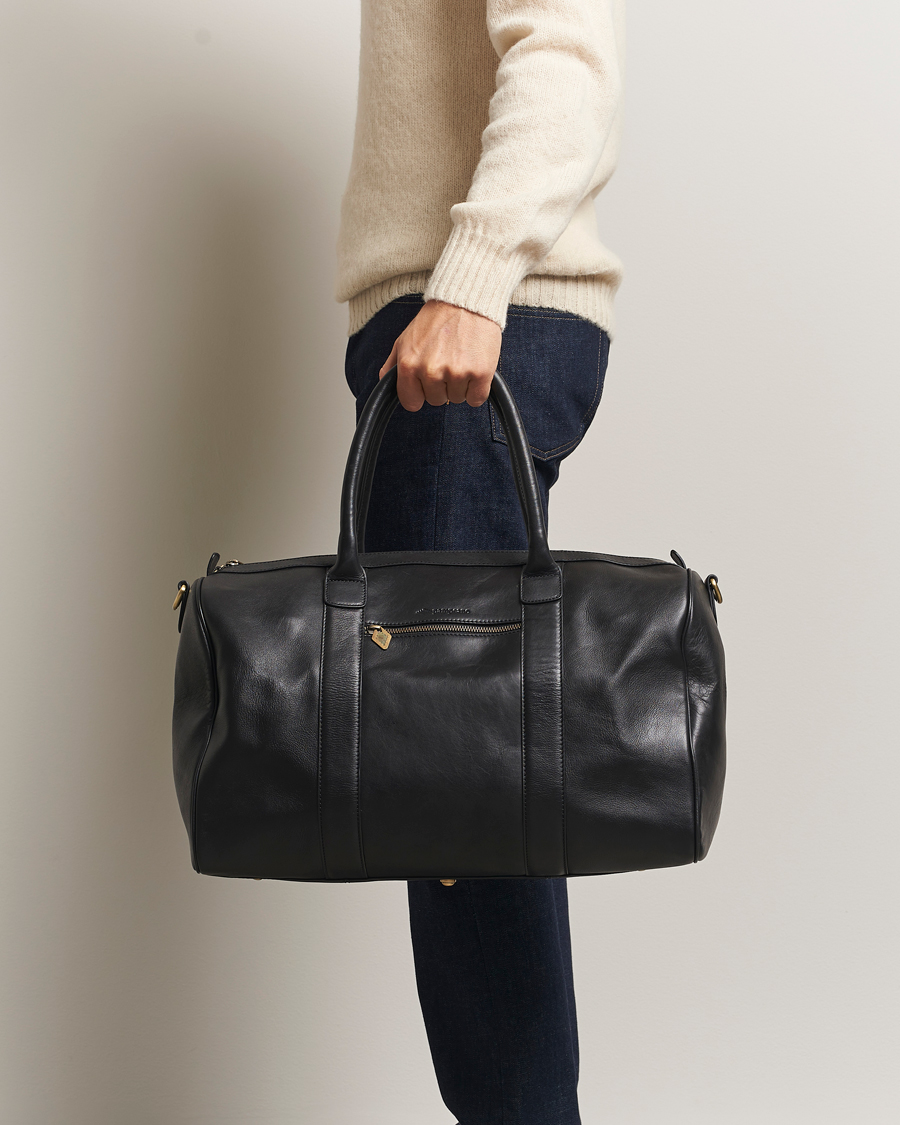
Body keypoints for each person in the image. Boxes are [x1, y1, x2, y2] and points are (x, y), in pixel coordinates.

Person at [336, 3, 625, 1121]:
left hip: (468, 325)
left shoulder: (469, 297)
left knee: (463, 790)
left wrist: (471, 277)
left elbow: (566, 53)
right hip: (442, 325)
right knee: (462, 788)